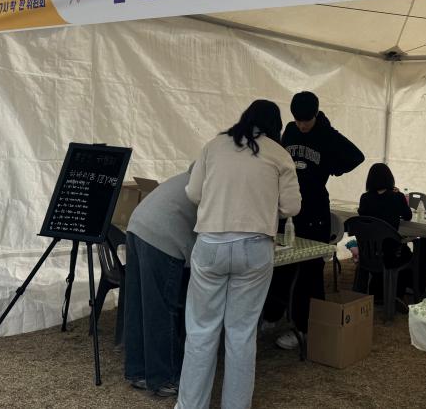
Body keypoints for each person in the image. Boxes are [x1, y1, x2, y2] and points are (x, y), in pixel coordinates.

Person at [176, 100, 301, 409]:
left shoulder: (214, 145)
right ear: (275, 125)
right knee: (241, 334)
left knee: (201, 331)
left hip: (211, 243)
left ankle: (190, 405)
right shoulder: (279, 153)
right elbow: (292, 207)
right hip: (255, 247)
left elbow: (193, 192)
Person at [263, 91, 365, 351]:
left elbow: (356, 156)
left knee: (310, 272)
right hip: (287, 209)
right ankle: (273, 314)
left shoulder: (327, 135)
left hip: (315, 212)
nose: (301, 125)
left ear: (316, 115)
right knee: (280, 266)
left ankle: (305, 328)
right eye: (297, 120)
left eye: (306, 121)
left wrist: (332, 166)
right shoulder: (290, 131)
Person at [123, 167, 197, 397]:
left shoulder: (185, 177)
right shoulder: (213, 183)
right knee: (161, 309)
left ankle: (137, 371)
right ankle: (165, 377)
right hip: (164, 238)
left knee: (138, 305)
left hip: (137, 227)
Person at [357, 163, 413, 299]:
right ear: (390, 178)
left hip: (368, 251)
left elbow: (362, 216)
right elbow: (408, 216)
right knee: (408, 254)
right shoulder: (397, 197)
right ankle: (398, 294)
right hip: (390, 253)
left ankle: (377, 291)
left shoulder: (365, 198)